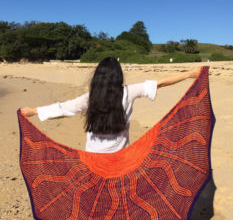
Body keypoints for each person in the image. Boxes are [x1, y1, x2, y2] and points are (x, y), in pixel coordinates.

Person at [21, 57, 201, 153]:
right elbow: (160, 83)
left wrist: (33, 111)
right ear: (118, 76)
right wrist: (188, 74)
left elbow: (64, 108)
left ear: (98, 76)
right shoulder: (129, 91)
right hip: (120, 157)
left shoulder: (90, 97)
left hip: (93, 158)